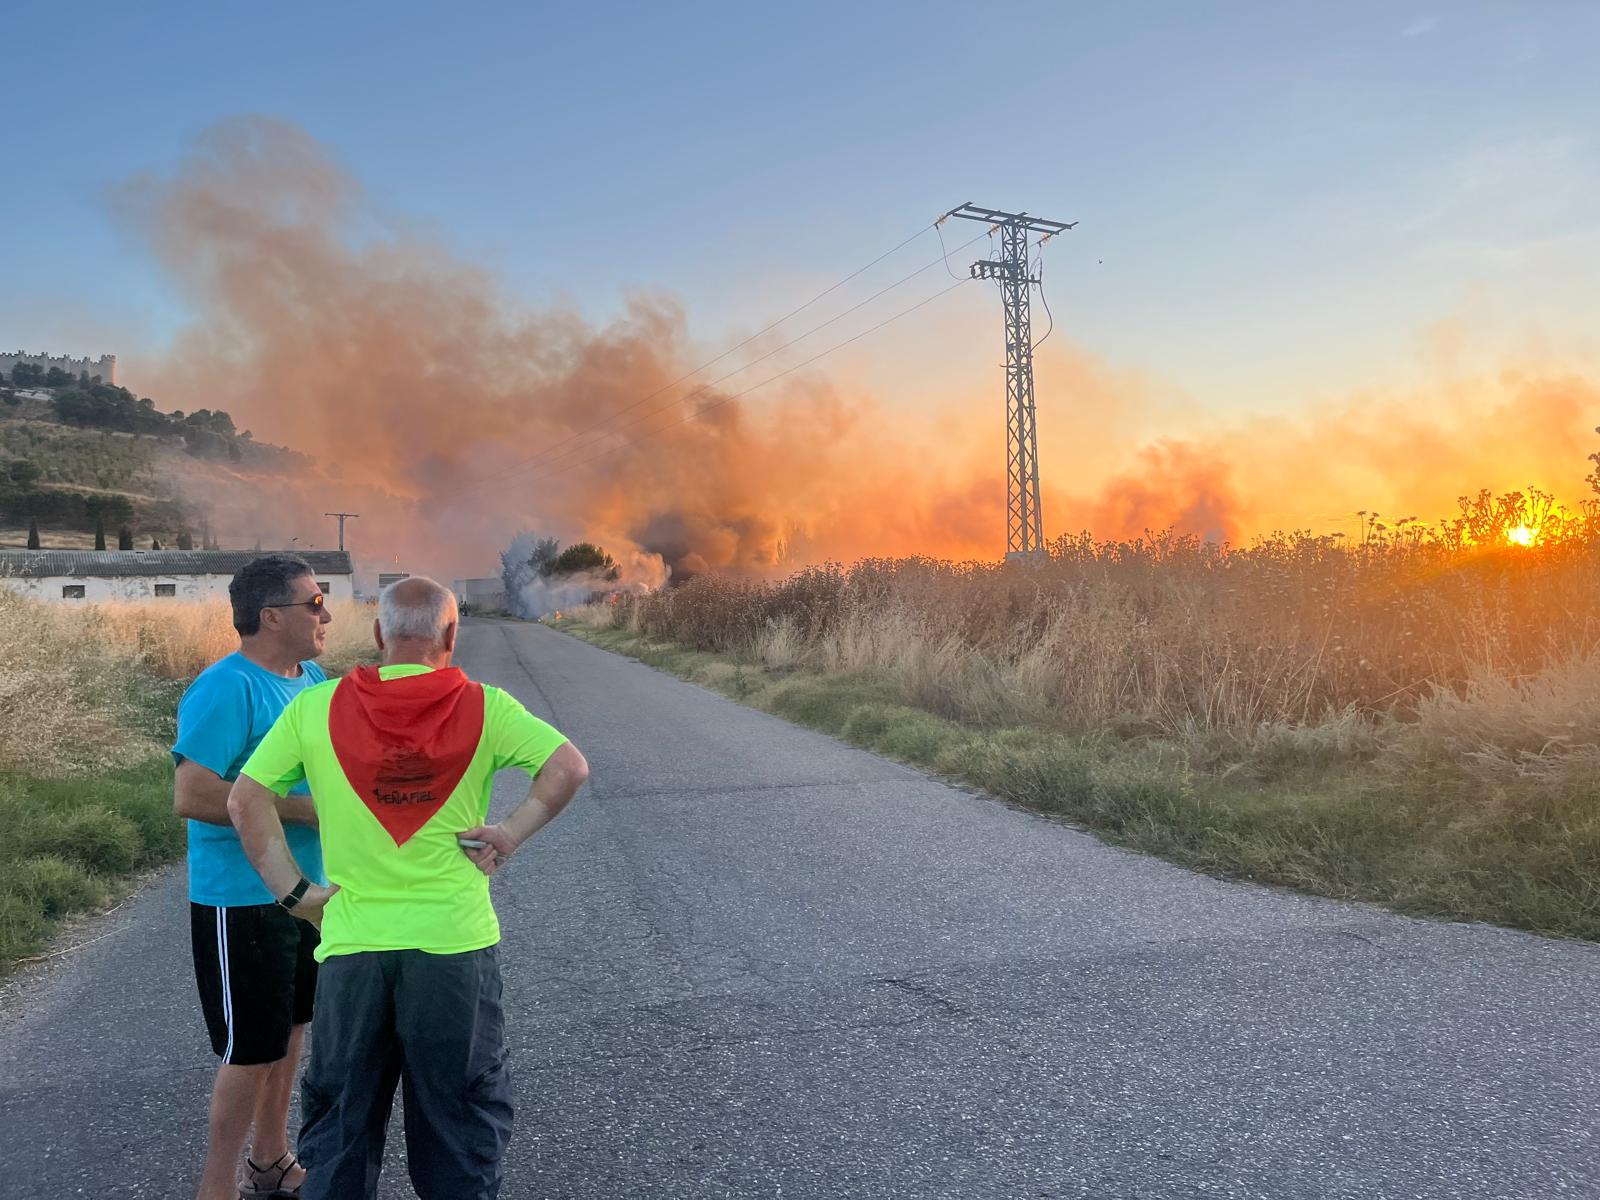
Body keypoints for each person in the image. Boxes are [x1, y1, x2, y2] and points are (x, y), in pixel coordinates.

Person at [227, 576, 589, 1200]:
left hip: (352, 947)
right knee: (458, 1127)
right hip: (453, 948)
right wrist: (508, 833)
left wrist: (294, 894)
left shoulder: (316, 706)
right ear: (451, 635)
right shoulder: (488, 706)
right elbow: (568, 767)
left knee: (339, 1130)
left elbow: (245, 799)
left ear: (377, 634)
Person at [172, 553, 335, 1200]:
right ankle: (217, 1189)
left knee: (291, 1034)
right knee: (249, 1051)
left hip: (306, 895)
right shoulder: (225, 687)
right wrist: (298, 808)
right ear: (271, 616)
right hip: (239, 900)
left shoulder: (312, 677)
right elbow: (192, 794)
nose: (325, 613)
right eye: (313, 603)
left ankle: (270, 1162)